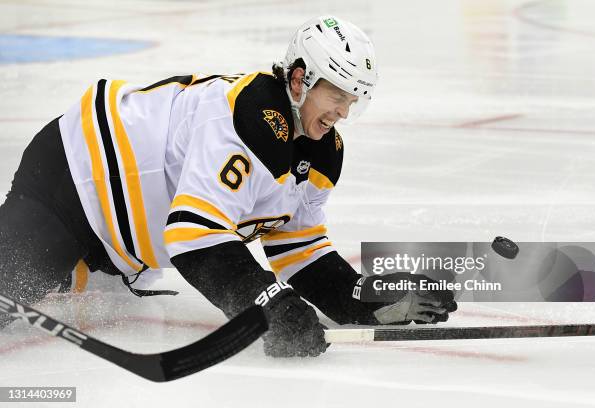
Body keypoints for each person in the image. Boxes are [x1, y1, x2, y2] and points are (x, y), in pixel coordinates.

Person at [0, 16, 456, 357]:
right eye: (336, 95)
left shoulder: (321, 149)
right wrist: (266, 307)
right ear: (300, 79)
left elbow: (299, 249)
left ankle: (84, 267)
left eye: (352, 101)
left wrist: (362, 298)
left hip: (126, 242)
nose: (342, 112)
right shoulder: (247, 116)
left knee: (61, 276)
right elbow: (194, 237)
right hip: (72, 179)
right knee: (8, 283)